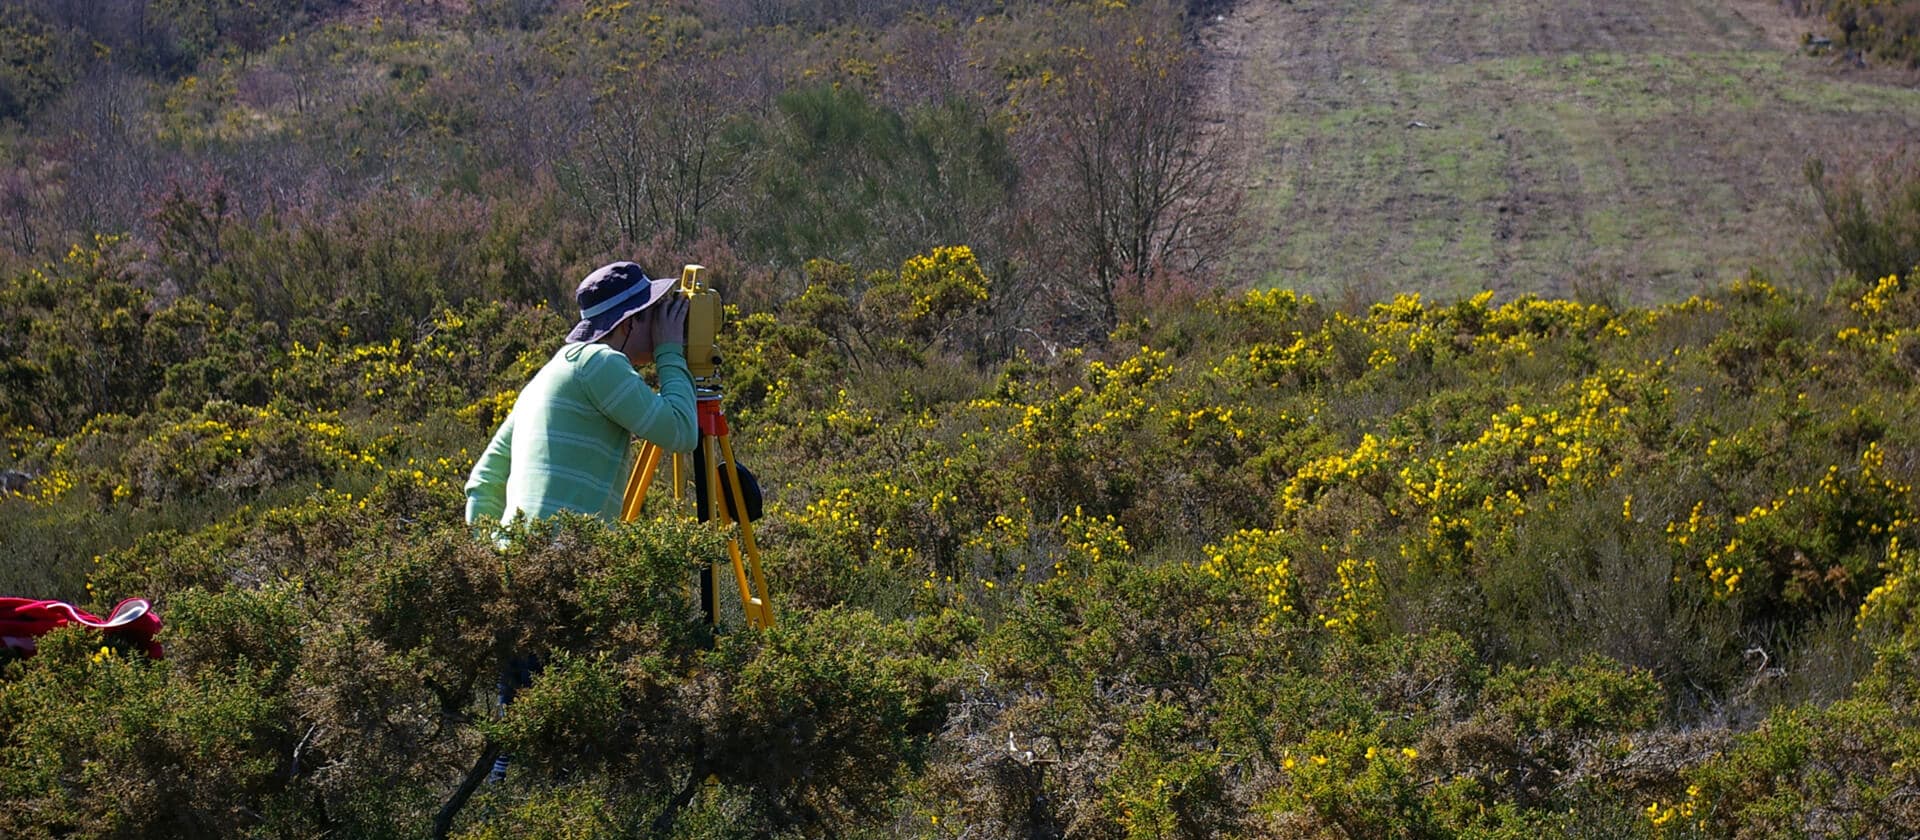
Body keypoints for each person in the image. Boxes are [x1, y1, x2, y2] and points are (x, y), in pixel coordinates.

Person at [462, 260, 696, 783]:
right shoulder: (601, 365)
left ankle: (503, 818)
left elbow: (480, 484)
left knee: (521, 737)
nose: (661, 320)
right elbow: (681, 431)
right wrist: (673, 353)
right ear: (626, 323)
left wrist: (493, 570)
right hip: (566, 572)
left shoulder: (547, 377)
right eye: (654, 313)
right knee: (568, 741)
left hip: (519, 573)